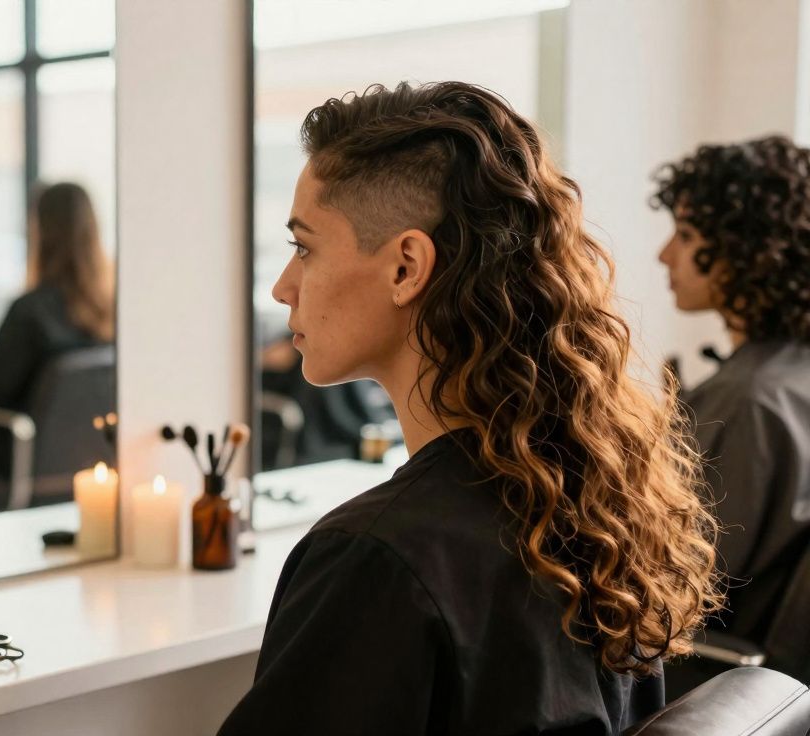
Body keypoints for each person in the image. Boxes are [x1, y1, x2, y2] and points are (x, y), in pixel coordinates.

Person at [218, 83, 722, 735]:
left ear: (406, 268)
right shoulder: (591, 502)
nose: (283, 288)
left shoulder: (375, 559)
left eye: (305, 247)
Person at [653, 136, 810, 644]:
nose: (664, 254)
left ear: (749, 252)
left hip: (704, 668)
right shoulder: (787, 382)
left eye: (686, 234)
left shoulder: (746, 402)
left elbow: (667, 588)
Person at [0, 182, 115, 478]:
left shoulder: (30, 311)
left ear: (39, 233)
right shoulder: (110, 310)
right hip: (90, 456)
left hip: (19, 463)